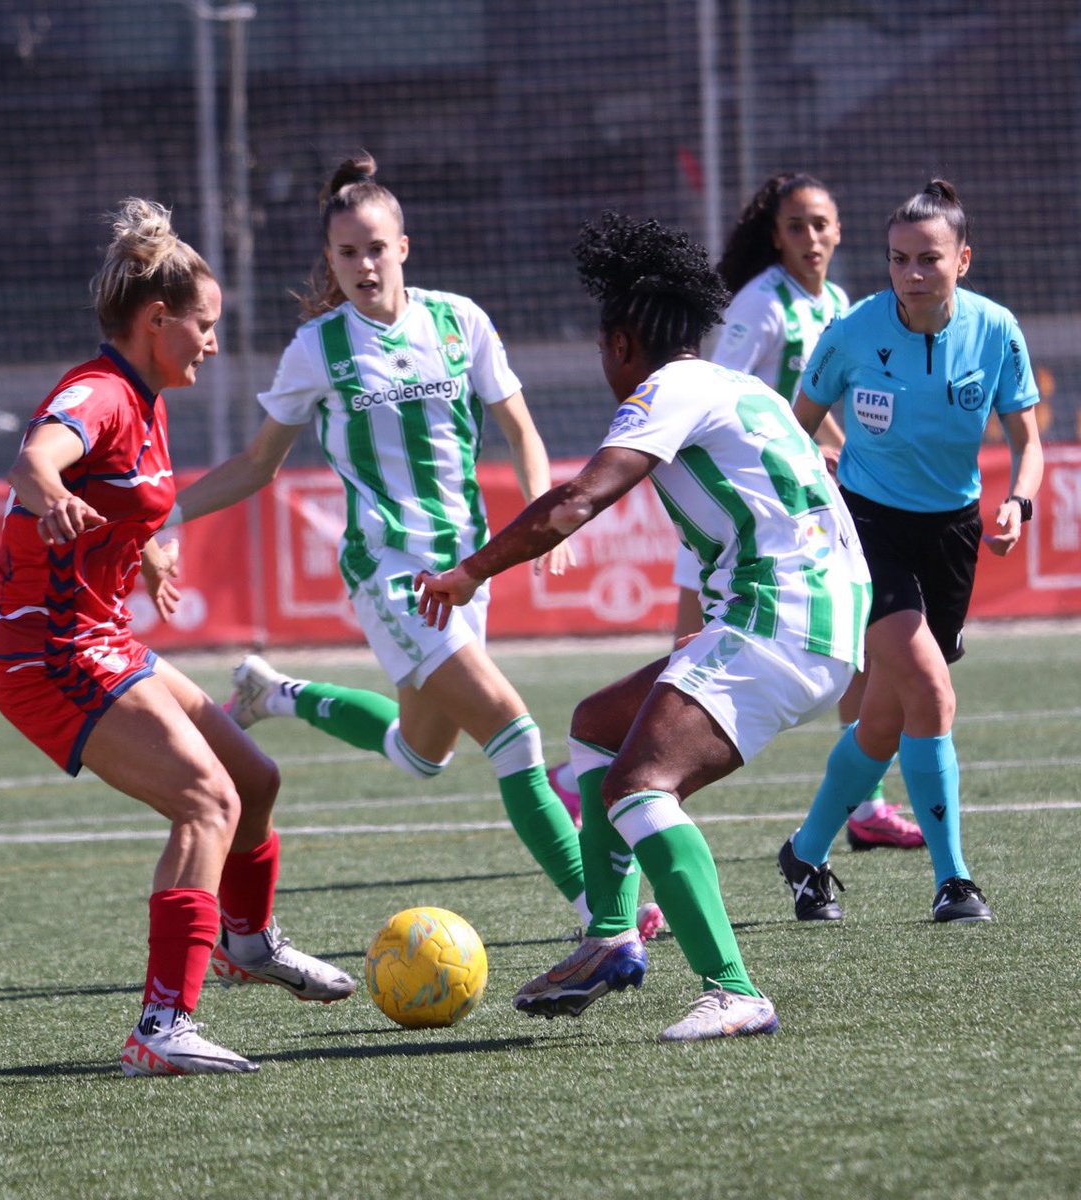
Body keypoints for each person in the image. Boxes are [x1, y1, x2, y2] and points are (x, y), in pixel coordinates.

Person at [154, 154, 659, 940]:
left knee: (424, 755)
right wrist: (166, 516)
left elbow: (521, 430)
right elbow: (259, 464)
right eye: (347, 252)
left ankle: (274, 694)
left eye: (376, 248)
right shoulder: (317, 348)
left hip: (464, 570)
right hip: (393, 575)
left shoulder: (461, 321)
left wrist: (546, 512)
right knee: (515, 735)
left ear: (404, 247)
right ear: (331, 261)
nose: (363, 264)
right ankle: (599, 909)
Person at [416, 211, 871, 1042]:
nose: (602, 362)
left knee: (636, 785)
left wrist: (468, 572)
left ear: (622, 343)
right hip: (813, 612)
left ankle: (734, 990)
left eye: (601, 346)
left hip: (783, 617)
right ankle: (610, 937)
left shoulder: (669, 388)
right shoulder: (743, 385)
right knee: (595, 728)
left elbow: (577, 501)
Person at [0, 198, 354, 1079]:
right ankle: (162, 1026)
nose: (213, 343)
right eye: (206, 325)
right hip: (50, 657)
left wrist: (145, 550)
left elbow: (129, 492)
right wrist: (53, 491)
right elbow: (36, 458)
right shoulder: (102, 392)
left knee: (254, 779)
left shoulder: (146, 398)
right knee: (207, 804)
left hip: (101, 639)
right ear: (157, 321)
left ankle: (248, 944)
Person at [547, 173, 919, 852]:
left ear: (840, 231)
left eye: (822, 223)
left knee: (849, 648)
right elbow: (729, 397)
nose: (811, 237)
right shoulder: (762, 303)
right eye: (797, 225)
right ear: (775, 236)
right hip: (728, 521)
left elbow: (796, 413)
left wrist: (834, 457)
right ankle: (603, 784)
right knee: (686, 675)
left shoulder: (833, 302)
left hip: (786, 516)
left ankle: (864, 800)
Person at [778, 178, 1043, 924]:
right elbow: (794, 427)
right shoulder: (854, 332)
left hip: (953, 534)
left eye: (928, 259)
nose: (911, 274)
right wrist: (806, 505)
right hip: (866, 529)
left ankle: (805, 852)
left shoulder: (996, 331)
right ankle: (954, 881)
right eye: (898, 259)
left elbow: (1028, 443)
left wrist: (1017, 503)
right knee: (931, 692)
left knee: (886, 724)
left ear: (964, 257)